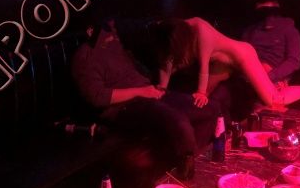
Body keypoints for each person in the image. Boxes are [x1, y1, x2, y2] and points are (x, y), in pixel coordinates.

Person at [71, 20, 216, 164]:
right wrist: (141, 91)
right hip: (125, 107)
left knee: (210, 109)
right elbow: (97, 97)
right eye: (107, 26)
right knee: (179, 123)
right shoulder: (84, 57)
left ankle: (194, 159)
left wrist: (153, 87)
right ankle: (183, 168)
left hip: (150, 93)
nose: (111, 28)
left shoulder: (114, 42)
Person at [154, 17, 300, 112]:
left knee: (273, 100)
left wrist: (201, 92)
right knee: (202, 103)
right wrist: (161, 88)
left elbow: (204, 66)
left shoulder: (200, 29)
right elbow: (166, 61)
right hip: (222, 63)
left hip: (243, 55)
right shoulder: (171, 32)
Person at [242, 0, 300, 88]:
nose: (267, 18)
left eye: (270, 12)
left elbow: (293, 61)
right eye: (262, 13)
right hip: (248, 73)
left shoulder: (289, 30)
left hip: (271, 77)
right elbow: (243, 54)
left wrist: (271, 76)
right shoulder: (250, 31)